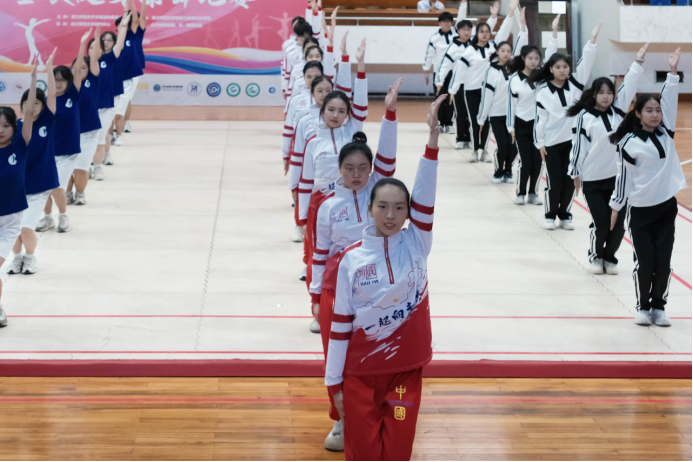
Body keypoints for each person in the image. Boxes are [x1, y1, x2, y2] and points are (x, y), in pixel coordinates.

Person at [326, 95, 446, 461]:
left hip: (404, 375)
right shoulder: (350, 260)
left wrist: (433, 138)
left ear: (410, 213)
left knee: (396, 451)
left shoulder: (417, 244)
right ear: (370, 208)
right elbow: (339, 326)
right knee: (363, 452)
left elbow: (426, 191)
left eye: (399, 208)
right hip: (360, 375)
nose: (391, 215)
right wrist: (334, 384)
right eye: (382, 207)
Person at [311, 78, 402, 455]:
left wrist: (390, 113)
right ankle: (342, 417)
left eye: (363, 168)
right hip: (336, 288)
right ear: (339, 168)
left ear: (371, 170)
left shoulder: (377, 194)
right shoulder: (327, 207)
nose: (356, 174)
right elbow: (319, 254)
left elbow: (388, 155)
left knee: (376, 350)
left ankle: (383, 408)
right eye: (348, 168)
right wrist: (315, 296)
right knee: (337, 355)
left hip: (376, 285)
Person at [609, 48, 686, 328]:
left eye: (658, 110)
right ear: (639, 114)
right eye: (649, 111)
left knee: (663, 260)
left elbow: (670, 99)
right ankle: (642, 306)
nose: (655, 115)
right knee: (646, 261)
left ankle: (659, 307)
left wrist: (673, 72)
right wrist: (616, 208)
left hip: (666, 207)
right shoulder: (628, 143)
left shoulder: (667, 132)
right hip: (640, 210)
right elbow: (623, 179)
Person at [567, 44, 648, 275]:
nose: (606, 96)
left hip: (618, 180)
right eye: (601, 92)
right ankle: (596, 255)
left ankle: (610, 257)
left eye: (610, 92)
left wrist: (638, 62)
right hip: (593, 180)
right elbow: (578, 146)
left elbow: (629, 84)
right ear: (594, 94)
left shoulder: (619, 111)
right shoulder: (584, 117)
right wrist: (575, 172)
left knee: (618, 225)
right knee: (602, 222)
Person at [533, 24, 600, 231]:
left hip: (573, 142)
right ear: (551, 69)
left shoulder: (576, 84)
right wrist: (540, 143)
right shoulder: (543, 91)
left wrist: (592, 41)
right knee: (555, 181)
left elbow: (587, 62)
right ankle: (550, 214)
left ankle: (565, 214)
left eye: (565, 67)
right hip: (551, 144)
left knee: (571, 180)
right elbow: (540, 120)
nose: (562, 70)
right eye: (558, 67)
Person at [35, 29, 93, 234]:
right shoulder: (47, 101)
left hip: (68, 151)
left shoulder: (73, 95)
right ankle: (47, 217)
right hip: (48, 152)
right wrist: (48, 66)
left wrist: (82, 44)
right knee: (43, 188)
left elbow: (77, 70)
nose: (58, 83)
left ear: (68, 81)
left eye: (62, 79)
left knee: (57, 187)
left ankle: (63, 215)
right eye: (55, 79)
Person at [8, 50, 59, 276]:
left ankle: (30, 257)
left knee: (26, 229)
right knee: (13, 231)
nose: (34, 105)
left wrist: (46, 69)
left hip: (39, 186)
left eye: (38, 102)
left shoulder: (47, 120)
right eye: (30, 102)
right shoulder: (14, 128)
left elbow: (52, 95)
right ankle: (17, 258)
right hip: (15, 188)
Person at [449, 0, 515, 163]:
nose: (485, 34)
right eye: (482, 32)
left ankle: (484, 150)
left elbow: (504, 31)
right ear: (476, 34)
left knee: (486, 121)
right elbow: (459, 71)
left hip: (489, 90)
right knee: (474, 121)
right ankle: (474, 150)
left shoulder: (493, 48)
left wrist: (510, 13)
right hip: (472, 90)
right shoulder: (469, 51)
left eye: (487, 32)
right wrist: (453, 90)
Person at [0, 57, 38, 328]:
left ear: (15, 127)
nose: (0, 130)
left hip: (9, 222)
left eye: (5, 125)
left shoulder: (20, 146)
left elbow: (30, 113)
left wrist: (34, 81)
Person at [507, 14, 560, 206]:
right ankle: (521, 192)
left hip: (540, 125)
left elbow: (552, 53)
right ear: (523, 58)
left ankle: (532, 193)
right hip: (521, 125)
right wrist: (510, 127)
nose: (533, 61)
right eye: (530, 58)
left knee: (538, 161)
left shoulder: (541, 76)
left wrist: (554, 31)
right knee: (526, 160)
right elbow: (511, 105)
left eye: (536, 58)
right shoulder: (514, 79)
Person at [437, 0, 497, 149]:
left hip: (473, 84)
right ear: (457, 31)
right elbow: (445, 65)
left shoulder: (474, 44)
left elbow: (486, 29)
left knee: (473, 114)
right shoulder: (453, 47)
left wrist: (493, 17)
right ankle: (460, 138)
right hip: (459, 85)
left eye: (469, 29)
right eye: (463, 29)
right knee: (461, 112)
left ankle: (470, 139)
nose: (466, 32)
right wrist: (440, 81)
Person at [478, 8, 528, 183]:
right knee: (503, 144)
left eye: (509, 51)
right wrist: (482, 118)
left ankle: (508, 170)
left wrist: (523, 25)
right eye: (503, 50)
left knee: (514, 146)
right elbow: (486, 96)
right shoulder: (491, 71)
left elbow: (522, 43)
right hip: (497, 115)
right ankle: (498, 171)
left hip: (514, 115)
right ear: (497, 52)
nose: (506, 53)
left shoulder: (515, 68)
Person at [66, 28, 103, 206]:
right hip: (68, 133)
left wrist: (92, 41)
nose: (80, 70)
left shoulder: (92, 82)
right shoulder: (66, 87)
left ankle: (80, 194)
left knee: (81, 168)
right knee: (66, 168)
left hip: (88, 133)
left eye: (84, 67)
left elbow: (94, 58)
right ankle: (67, 194)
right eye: (77, 67)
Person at [91, 14, 130, 181]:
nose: (106, 43)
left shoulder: (111, 58)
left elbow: (120, 43)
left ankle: (101, 160)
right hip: (91, 105)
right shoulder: (87, 63)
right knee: (91, 136)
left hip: (109, 101)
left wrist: (124, 27)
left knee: (104, 132)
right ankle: (90, 163)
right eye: (103, 40)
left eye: (109, 40)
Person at [113, 0, 145, 147]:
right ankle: (113, 129)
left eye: (125, 23)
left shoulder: (133, 35)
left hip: (133, 72)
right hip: (118, 74)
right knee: (117, 101)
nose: (121, 26)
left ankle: (124, 123)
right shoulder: (114, 41)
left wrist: (131, 4)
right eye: (119, 25)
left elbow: (138, 19)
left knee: (127, 99)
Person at [423, 11, 457, 133]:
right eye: (444, 21)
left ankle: (449, 123)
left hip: (453, 72)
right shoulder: (434, 38)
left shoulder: (457, 36)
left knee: (451, 98)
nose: (447, 24)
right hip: (439, 73)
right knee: (439, 98)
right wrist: (426, 70)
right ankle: (440, 123)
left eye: (449, 21)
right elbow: (429, 55)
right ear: (439, 23)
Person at [124, 0, 148, 133]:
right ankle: (118, 122)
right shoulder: (121, 34)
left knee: (128, 98)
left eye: (135, 18)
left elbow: (142, 17)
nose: (134, 19)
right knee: (121, 97)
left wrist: (143, 2)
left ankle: (126, 123)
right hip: (123, 69)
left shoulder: (138, 32)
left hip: (135, 68)